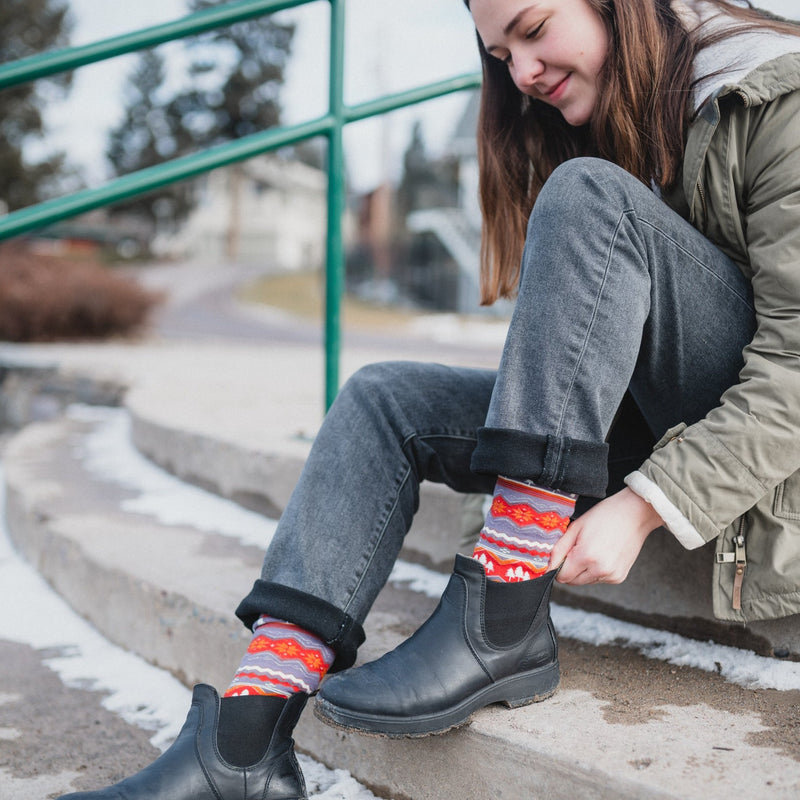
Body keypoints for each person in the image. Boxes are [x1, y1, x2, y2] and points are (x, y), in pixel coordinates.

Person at [60, 0, 800, 798]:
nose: (521, 72)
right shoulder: (618, 111)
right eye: (498, 54)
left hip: (768, 466)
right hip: (671, 418)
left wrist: (646, 505)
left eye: (534, 28)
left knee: (590, 194)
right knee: (386, 400)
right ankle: (243, 746)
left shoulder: (769, 98)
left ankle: (504, 608)